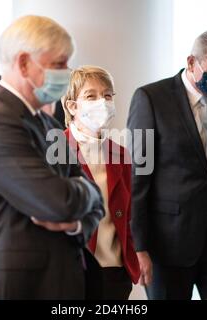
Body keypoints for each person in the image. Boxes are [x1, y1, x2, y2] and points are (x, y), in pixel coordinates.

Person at [0, 15, 104, 300]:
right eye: (59, 64)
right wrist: (81, 196)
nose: (67, 72)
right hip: (10, 289)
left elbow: (96, 200)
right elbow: (58, 202)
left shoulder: (48, 125)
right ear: (24, 63)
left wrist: (77, 220)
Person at [127, 29, 207, 300]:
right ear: (191, 62)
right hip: (169, 243)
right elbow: (139, 177)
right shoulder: (151, 99)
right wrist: (138, 245)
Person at [61, 66, 140, 299]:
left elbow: (130, 214)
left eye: (107, 95)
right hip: (72, 272)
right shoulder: (55, 150)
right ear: (72, 106)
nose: (101, 102)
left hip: (115, 273)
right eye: (91, 96)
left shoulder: (121, 154)